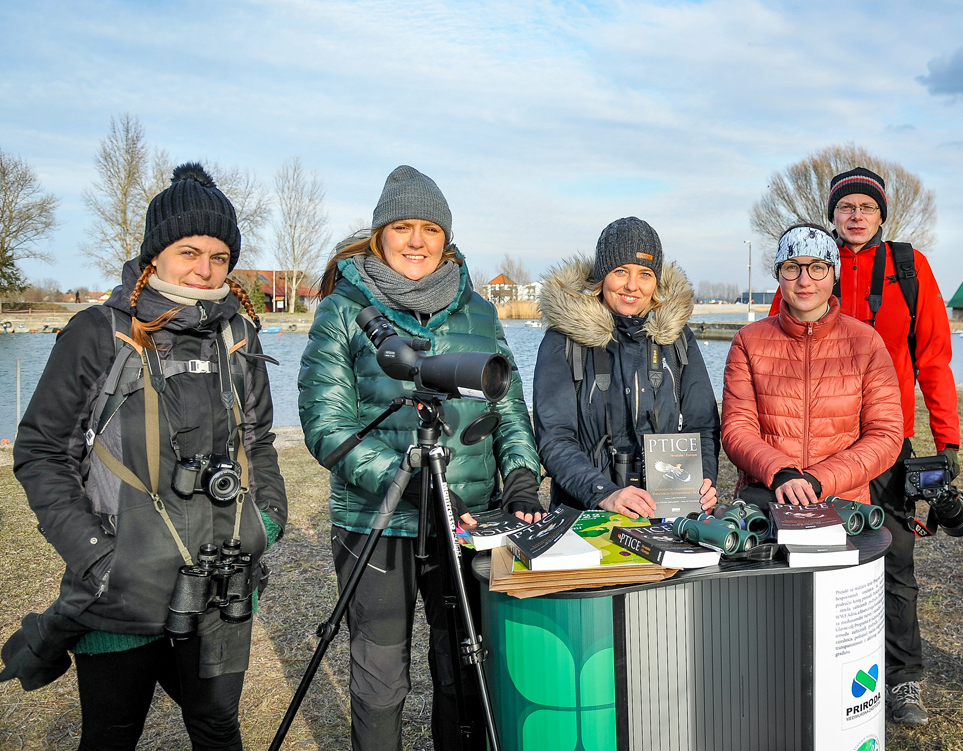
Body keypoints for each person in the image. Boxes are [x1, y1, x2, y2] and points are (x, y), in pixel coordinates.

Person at [2, 163, 288, 751]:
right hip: (119, 588)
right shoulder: (98, 331)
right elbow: (41, 452)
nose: (204, 269)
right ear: (154, 254)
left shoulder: (239, 336)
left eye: (219, 257)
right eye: (189, 252)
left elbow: (260, 439)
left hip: (222, 581)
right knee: (111, 735)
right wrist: (96, 556)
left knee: (217, 728)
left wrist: (267, 520)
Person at [297, 165, 542, 751]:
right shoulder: (343, 310)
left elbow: (508, 408)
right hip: (376, 522)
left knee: (463, 668)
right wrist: (412, 484)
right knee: (380, 680)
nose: (416, 241)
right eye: (402, 227)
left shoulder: (480, 312)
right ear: (379, 234)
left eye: (429, 229)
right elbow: (327, 427)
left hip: (467, 521)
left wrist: (521, 477)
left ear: (446, 239)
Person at [767, 167, 960, 724]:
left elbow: (934, 357)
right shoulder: (812, 268)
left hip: (885, 441)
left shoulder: (908, 268)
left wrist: (947, 439)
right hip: (815, 444)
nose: (856, 216)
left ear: (881, 215)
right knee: (807, 554)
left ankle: (902, 679)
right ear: (832, 215)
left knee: (894, 560)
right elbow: (777, 346)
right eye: (846, 207)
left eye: (867, 207)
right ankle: (815, 669)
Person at [533, 216, 720, 518]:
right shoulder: (564, 339)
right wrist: (604, 494)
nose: (632, 285)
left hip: (666, 512)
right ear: (602, 277)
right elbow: (554, 438)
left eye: (645, 274)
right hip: (584, 512)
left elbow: (703, 425)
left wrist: (705, 479)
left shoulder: (677, 338)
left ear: (656, 282)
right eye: (620, 271)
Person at [723, 223, 902, 517]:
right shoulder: (748, 341)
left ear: (834, 274)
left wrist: (818, 480)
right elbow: (737, 428)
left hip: (843, 507)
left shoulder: (866, 342)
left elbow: (885, 435)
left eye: (818, 267)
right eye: (792, 267)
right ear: (779, 274)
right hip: (767, 505)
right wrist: (780, 472)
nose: (804, 280)